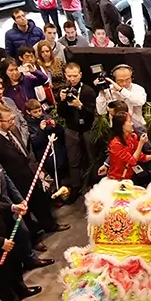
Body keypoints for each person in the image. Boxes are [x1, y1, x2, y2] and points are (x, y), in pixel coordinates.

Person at [0, 104, 70, 234]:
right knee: (25, 210)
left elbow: (23, 150)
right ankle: (34, 236)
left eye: (12, 118)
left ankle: (50, 225)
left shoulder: (13, 129)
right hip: (16, 180)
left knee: (41, 202)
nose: (12, 122)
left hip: (30, 171)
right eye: (8, 120)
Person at [0, 153, 43, 301]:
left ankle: (21, 289)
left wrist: (13, 207)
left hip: (4, 233)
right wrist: (1, 242)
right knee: (1, 274)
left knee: (14, 265)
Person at [0, 134, 54, 269]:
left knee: (22, 233)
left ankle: (29, 259)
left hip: (5, 205)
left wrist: (16, 203)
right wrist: (0, 241)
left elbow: (6, 178)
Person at [57, 62, 96, 203]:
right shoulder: (64, 90)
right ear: (65, 76)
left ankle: (93, 185)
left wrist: (80, 106)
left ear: (80, 75)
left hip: (87, 128)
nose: (72, 79)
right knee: (73, 160)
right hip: (71, 129)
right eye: (69, 76)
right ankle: (75, 187)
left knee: (91, 158)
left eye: (75, 76)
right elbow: (61, 113)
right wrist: (61, 101)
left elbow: (92, 114)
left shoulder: (88, 91)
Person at [98, 100, 151, 183]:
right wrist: (140, 143)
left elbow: (141, 155)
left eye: (111, 114)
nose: (110, 117)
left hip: (131, 176)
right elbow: (131, 160)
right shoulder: (116, 143)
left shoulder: (133, 135)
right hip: (117, 179)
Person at [25, 99, 67, 184]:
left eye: (40, 110)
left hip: (58, 152)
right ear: (28, 112)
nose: (39, 114)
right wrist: (41, 130)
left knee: (64, 174)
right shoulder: (27, 125)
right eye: (35, 112)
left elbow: (61, 133)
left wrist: (55, 126)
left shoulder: (46, 117)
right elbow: (35, 143)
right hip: (45, 156)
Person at [108, 111, 151, 180]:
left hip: (129, 178)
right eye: (129, 121)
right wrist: (141, 143)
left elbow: (140, 156)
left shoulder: (132, 137)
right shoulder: (115, 144)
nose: (132, 124)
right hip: (116, 180)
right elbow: (132, 161)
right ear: (122, 125)